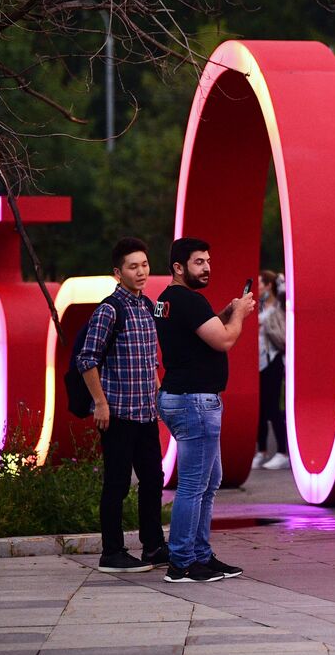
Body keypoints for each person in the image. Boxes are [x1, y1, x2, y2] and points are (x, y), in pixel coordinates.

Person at [154, 237, 255, 583]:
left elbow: (202, 334)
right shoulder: (187, 299)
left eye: (209, 261)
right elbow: (224, 340)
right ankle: (181, 562)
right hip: (195, 401)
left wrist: (227, 313)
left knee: (209, 482)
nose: (207, 268)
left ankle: (199, 553)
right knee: (195, 486)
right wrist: (239, 315)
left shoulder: (167, 300)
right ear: (179, 267)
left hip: (182, 397)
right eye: (199, 262)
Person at [76, 237, 167, 573]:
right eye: (133, 266)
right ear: (118, 272)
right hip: (117, 414)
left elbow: (150, 362)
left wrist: (162, 399)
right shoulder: (109, 309)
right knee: (116, 483)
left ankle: (153, 546)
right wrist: (100, 403)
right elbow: (87, 358)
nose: (141, 271)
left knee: (153, 479)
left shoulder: (147, 307)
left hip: (146, 413)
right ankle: (112, 551)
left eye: (144, 264)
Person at [252, 270, 289, 470]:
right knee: (260, 407)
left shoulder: (278, 308)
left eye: (260, 284)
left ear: (268, 285)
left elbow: (284, 336)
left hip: (272, 360)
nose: (257, 288)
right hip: (256, 362)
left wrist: (280, 281)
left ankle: (283, 452)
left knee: (273, 406)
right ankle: (262, 450)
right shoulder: (256, 308)